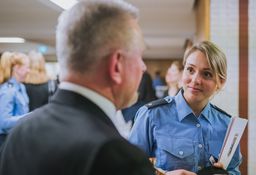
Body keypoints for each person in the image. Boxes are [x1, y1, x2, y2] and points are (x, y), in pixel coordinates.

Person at [0, 1, 194, 175]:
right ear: (116, 65)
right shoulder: (117, 157)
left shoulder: (21, 133)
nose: (143, 67)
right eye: (139, 56)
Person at [129, 41, 242, 174]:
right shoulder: (151, 115)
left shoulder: (227, 125)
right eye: (190, 70)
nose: (195, 80)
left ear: (220, 82)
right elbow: (128, 168)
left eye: (207, 74)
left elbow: (233, 171)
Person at [0, 51, 30, 139]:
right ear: (17, 68)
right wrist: (30, 116)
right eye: (27, 67)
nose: (29, 70)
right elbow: (4, 122)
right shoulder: (8, 90)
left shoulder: (21, 87)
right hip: (6, 139)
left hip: (17, 136)